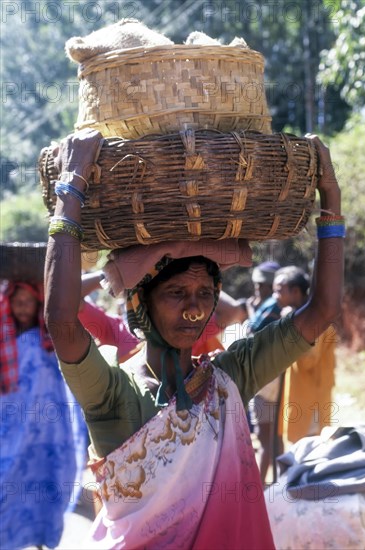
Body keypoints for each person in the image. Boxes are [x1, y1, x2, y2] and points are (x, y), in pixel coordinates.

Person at [44, 128, 344, 549]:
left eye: (205, 294)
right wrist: (71, 185)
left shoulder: (229, 379)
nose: (194, 309)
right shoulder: (114, 393)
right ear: (139, 305)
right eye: (175, 293)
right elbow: (61, 320)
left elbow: (322, 310)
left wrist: (330, 200)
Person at [0, 280, 87, 550]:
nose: (23, 306)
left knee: (48, 480)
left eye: (29, 300)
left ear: (39, 303)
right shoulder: (5, 343)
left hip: (48, 432)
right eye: (18, 300)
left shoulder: (51, 341)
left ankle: (39, 540)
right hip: (10, 430)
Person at [79, 270, 247, 362]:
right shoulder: (114, 329)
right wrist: (110, 274)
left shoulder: (185, 329)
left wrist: (195, 279)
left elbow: (232, 312)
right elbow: (67, 297)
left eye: (173, 293)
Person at [273, 265, 337, 447]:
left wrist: (291, 325)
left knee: (307, 453)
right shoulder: (300, 317)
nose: (275, 296)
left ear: (295, 292)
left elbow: (309, 359)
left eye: (279, 291)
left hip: (310, 403)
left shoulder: (315, 320)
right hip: (298, 395)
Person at [245, 261, 283, 483]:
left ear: (269, 287)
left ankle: (259, 485)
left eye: (260, 286)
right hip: (273, 377)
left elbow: (252, 332)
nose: (257, 290)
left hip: (264, 380)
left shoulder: (270, 306)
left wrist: (251, 309)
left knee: (263, 435)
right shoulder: (274, 305)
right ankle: (279, 480)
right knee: (274, 435)